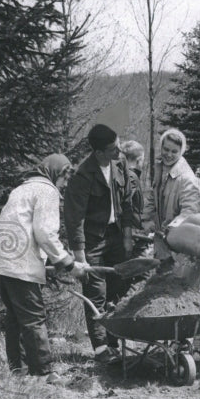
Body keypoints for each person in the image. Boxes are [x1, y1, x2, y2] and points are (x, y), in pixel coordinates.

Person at [0, 154, 89, 383]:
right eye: (65, 180)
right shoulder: (47, 191)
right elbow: (45, 232)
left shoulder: (21, 190)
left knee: (16, 318)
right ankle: (44, 372)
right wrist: (68, 263)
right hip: (19, 261)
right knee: (34, 317)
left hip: (1, 260)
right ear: (58, 173)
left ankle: (20, 372)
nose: (64, 186)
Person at [63, 123, 134, 362]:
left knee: (118, 287)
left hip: (116, 235)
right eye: (113, 149)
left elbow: (127, 202)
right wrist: (80, 256)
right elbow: (74, 218)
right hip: (92, 241)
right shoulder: (82, 175)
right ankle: (102, 348)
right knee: (96, 292)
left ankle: (115, 340)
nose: (119, 152)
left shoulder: (120, 164)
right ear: (98, 152)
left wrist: (126, 236)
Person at [145, 128, 200, 264]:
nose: (169, 154)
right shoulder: (160, 170)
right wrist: (146, 220)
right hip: (161, 242)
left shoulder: (187, 178)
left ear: (181, 152)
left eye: (174, 151)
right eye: (166, 149)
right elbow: (152, 199)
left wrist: (172, 229)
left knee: (177, 281)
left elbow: (190, 211)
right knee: (162, 278)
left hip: (180, 244)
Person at [119, 140, 148, 258]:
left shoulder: (121, 174)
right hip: (133, 234)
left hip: (128, 232)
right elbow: (125, 204)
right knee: (142, 272)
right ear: (139, 160)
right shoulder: (131, 176)